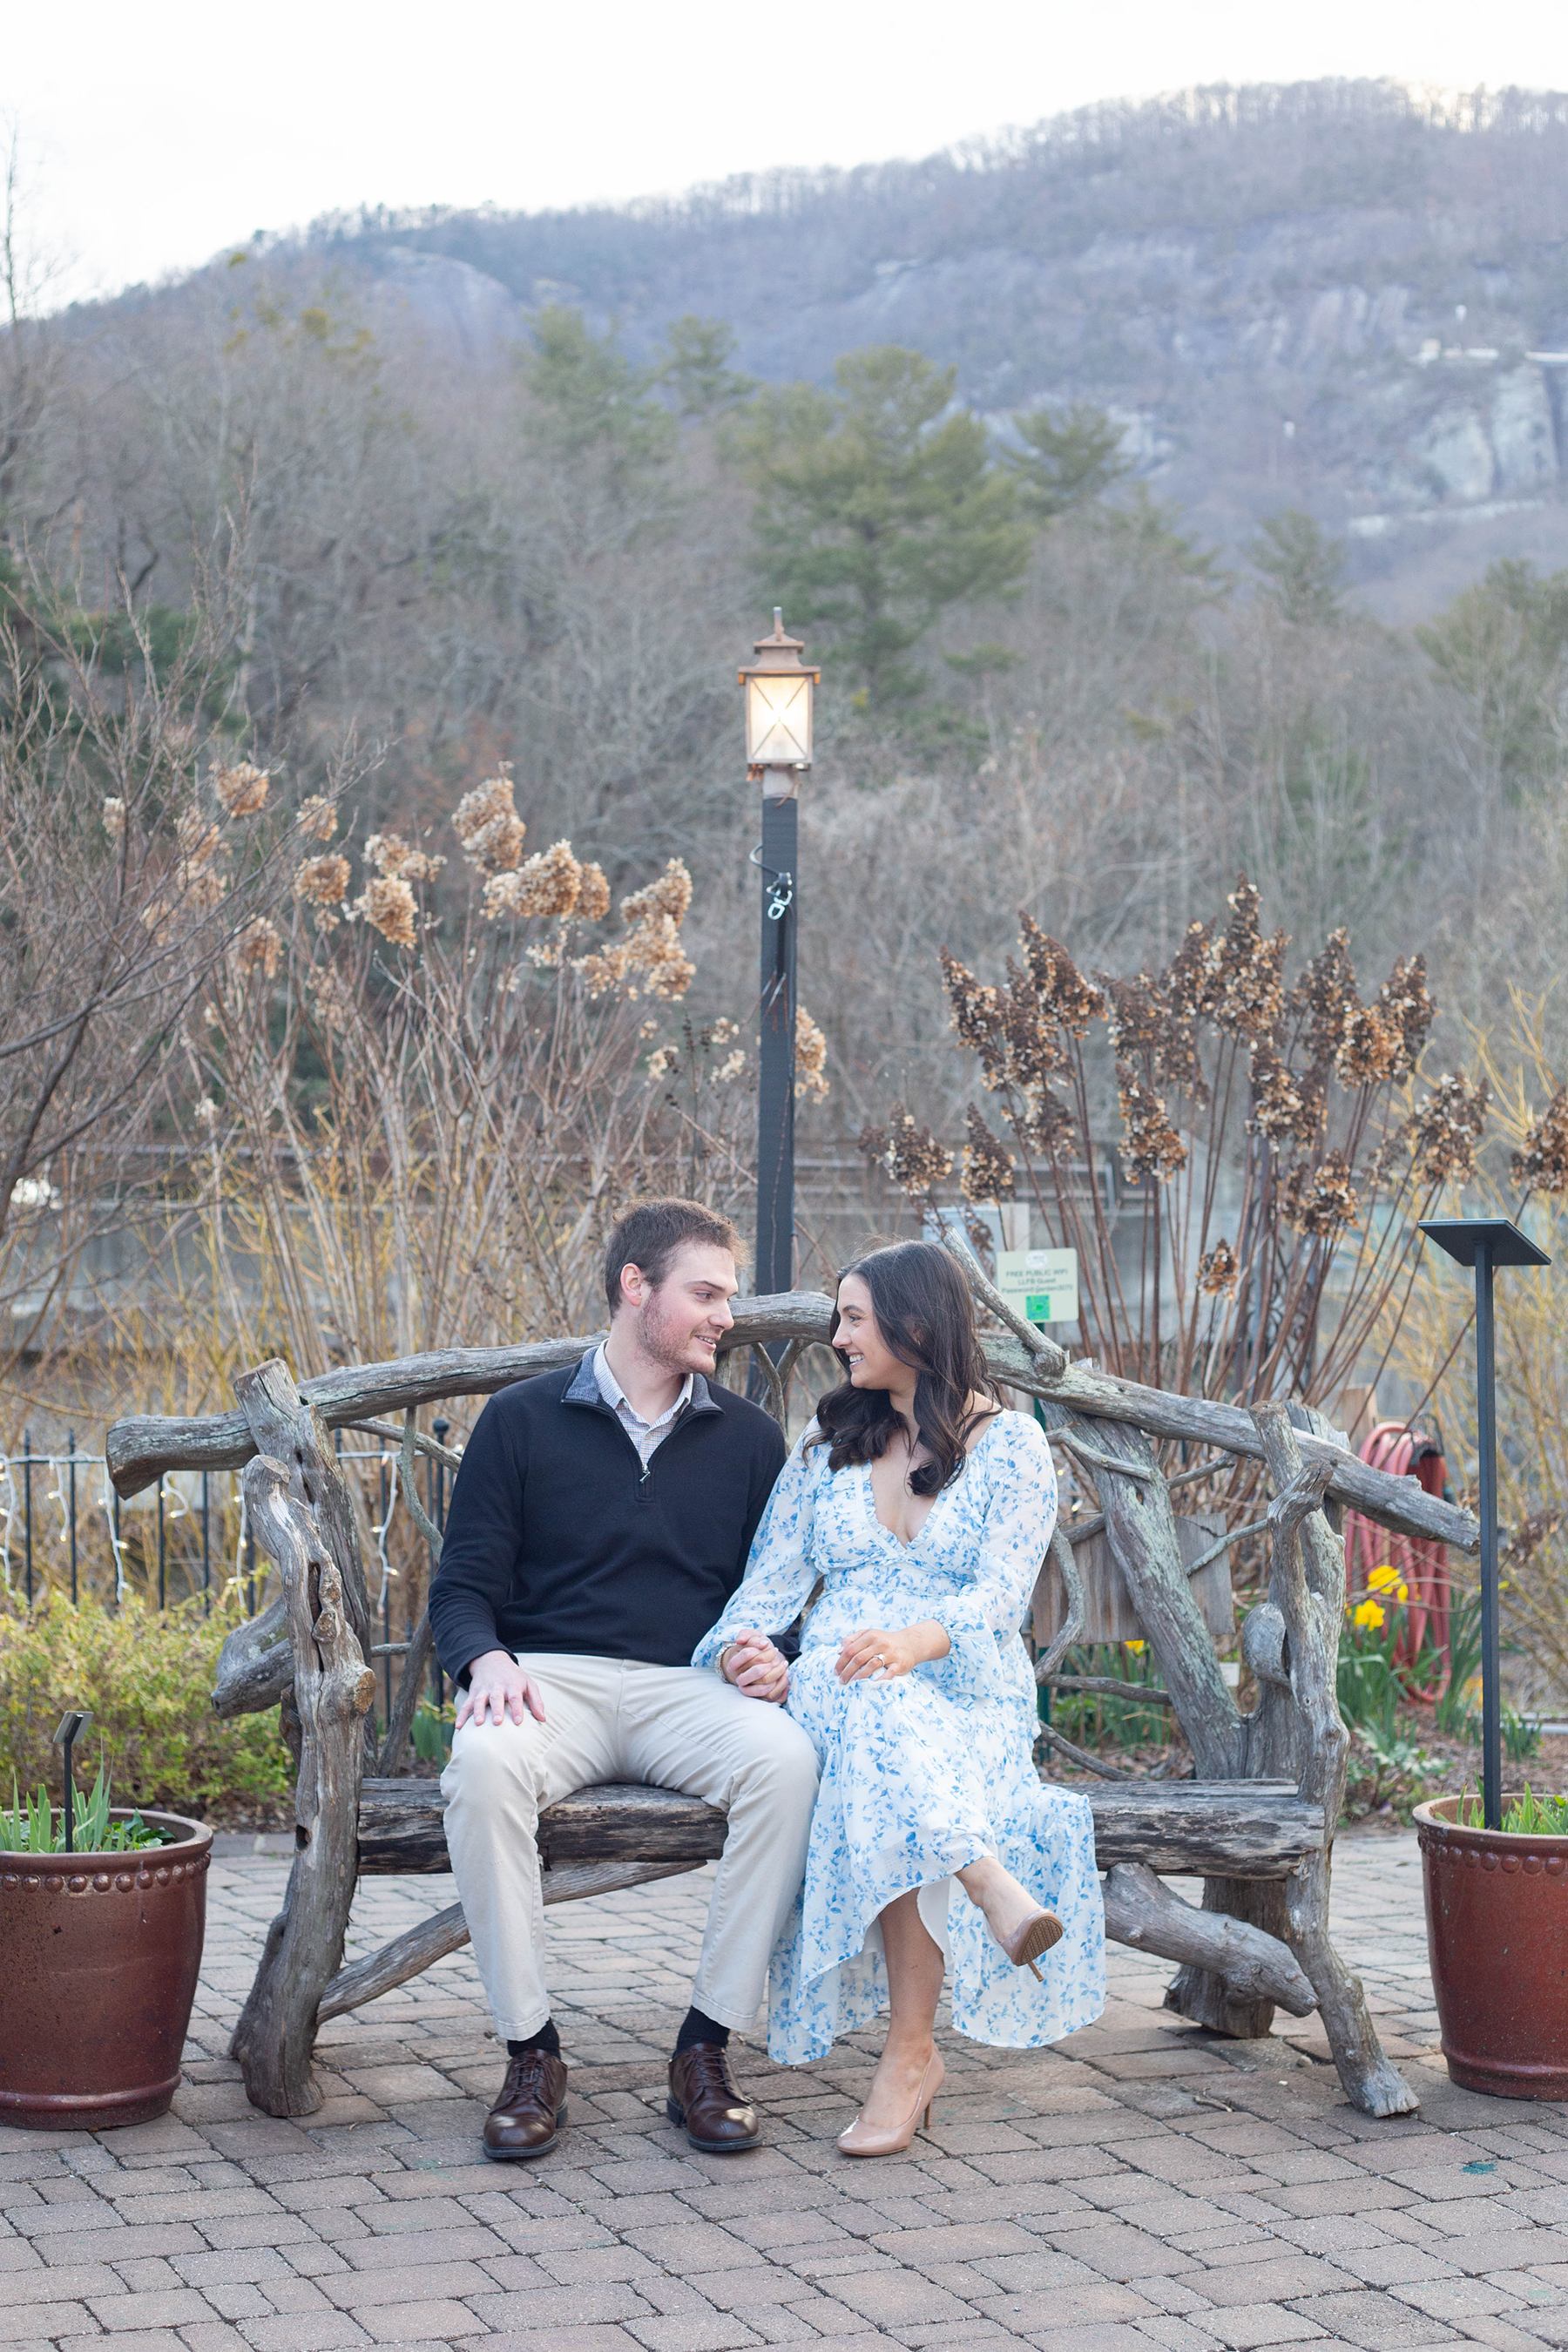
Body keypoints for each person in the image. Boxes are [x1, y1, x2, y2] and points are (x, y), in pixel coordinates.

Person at [429, 1197, 820, 2163]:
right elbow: (462, 1587)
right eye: (706, 1293)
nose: (726, 1315)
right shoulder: (520, 1422)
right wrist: (484, 1663)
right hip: (548, 1686)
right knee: (480, 1768)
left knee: (787, 1760)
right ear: (634, 1288)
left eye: (728, 1296)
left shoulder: (749, 1439)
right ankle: (532, 2054)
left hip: (691, 1687)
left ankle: (704, 2050)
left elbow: (778, 1601)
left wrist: (777, 1654)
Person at [693, 1239, 1105, 2156]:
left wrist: (914, 1645)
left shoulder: (1014, 1447)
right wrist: (748, 1658)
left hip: (967, 1697)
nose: (837, 1336)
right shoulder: (826, 1445)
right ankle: (977, 1912)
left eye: (853, 1317)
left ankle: (915, 2052)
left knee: (892, 1725)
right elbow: (764, 1595)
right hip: (837, 1687)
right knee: (874, 1702)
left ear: (916, 1324)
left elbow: (1001, 1597)